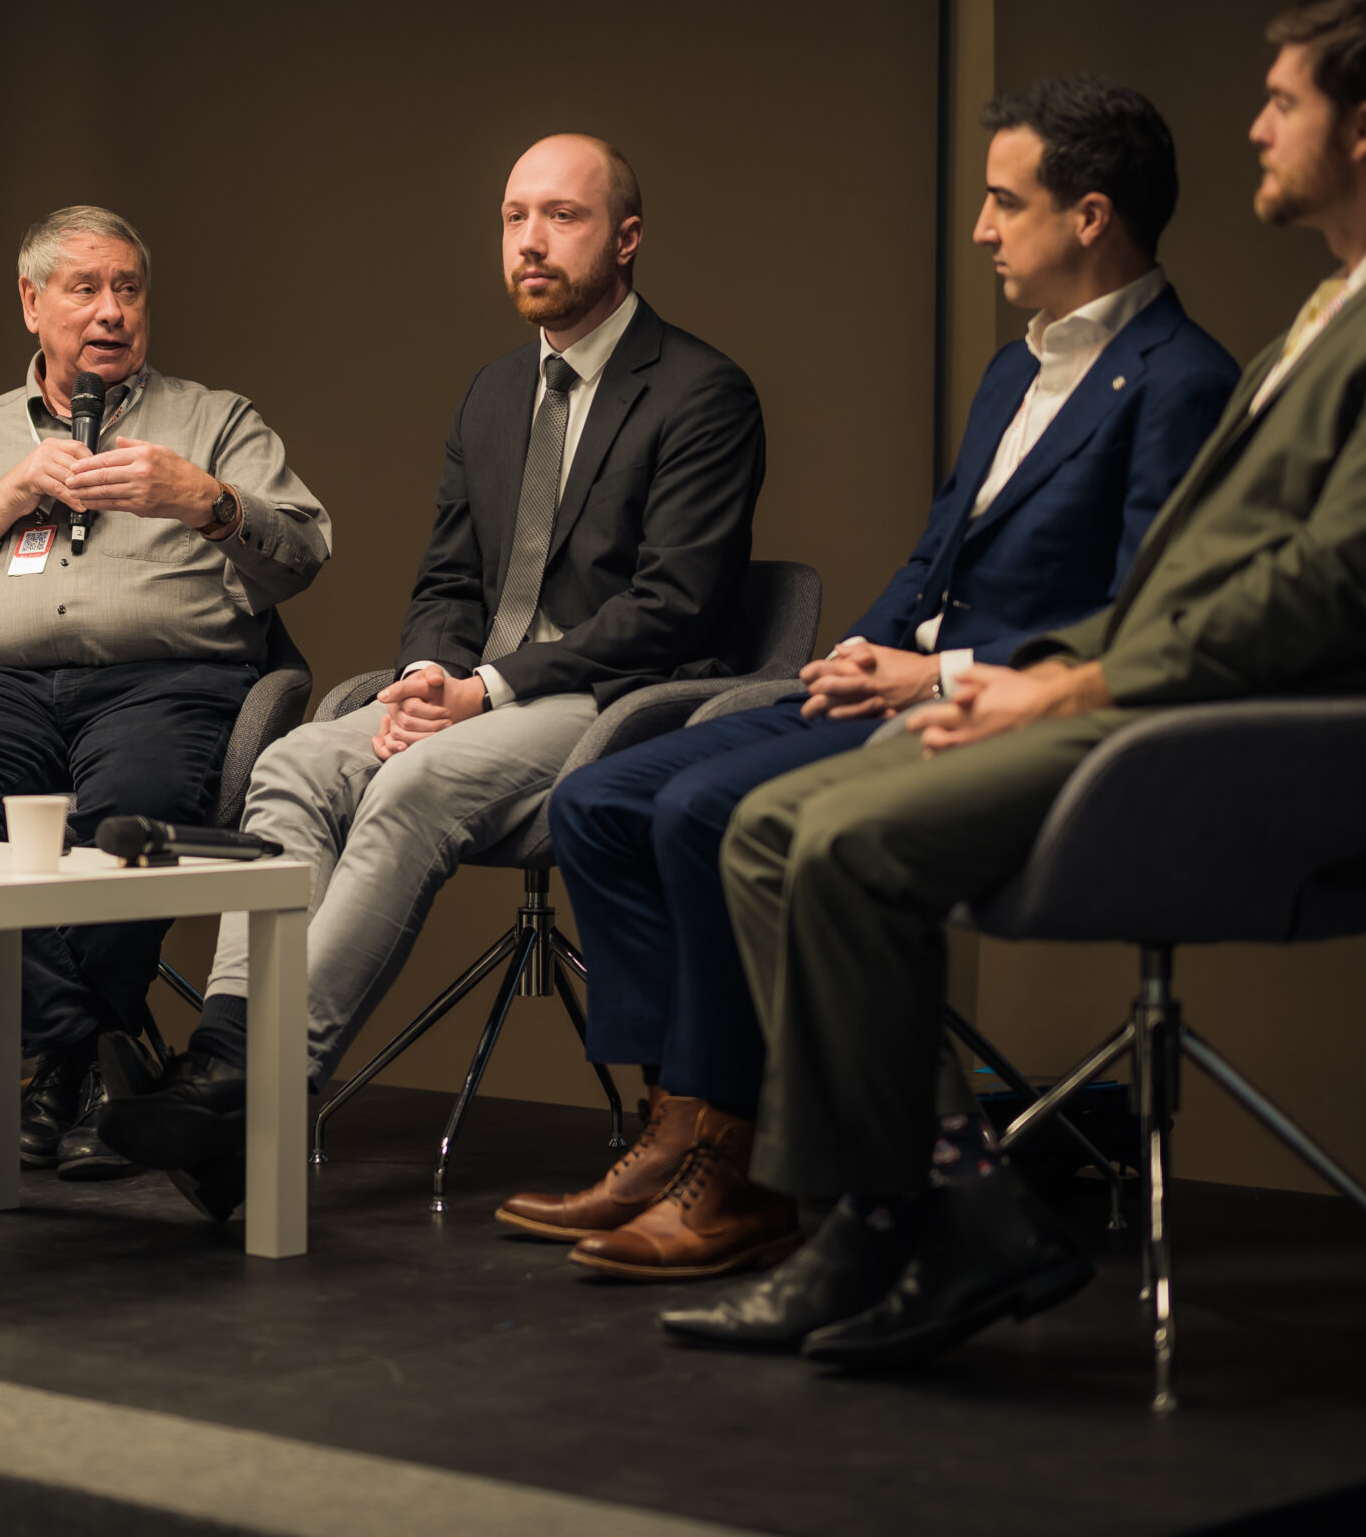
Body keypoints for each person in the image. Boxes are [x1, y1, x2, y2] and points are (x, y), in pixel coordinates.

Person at [663, 0, 1366, 1363]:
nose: (1254, 126)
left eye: (1283, 101)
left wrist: (1068, 687)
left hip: (1266, 736)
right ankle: (929, 1217)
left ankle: (908, 1223)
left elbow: (1336, 593)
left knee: (834, 839)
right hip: (1181, 698)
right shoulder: (1340, 308)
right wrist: (1032, 668)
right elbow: (1176, 589)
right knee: (771, 824)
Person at [509, 78, 1239, 1282]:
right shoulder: (1014, 369)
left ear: (1091, 216)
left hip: (1000, 712)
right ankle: (677, 1122)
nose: (982, 228)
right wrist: (856, 649)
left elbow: (1140, 613)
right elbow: (932, 555)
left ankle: (736, 1171)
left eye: (1006, 201)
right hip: (901, 682)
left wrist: (936, 669)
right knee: (597, 799)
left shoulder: (1180, 377)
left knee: (699, 808)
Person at [98, 134, 768, 1218]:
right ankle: (224, 1058)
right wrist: (423, 674)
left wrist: (486, 691)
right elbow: (450, 577)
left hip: (607, 704)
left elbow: (671, 609)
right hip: (472, 695)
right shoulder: (493, 394)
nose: (531, 240)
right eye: (514, 217)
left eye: (563, 216)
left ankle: (248, 1094)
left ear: (627, 238)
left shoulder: (701, 391)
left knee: (410, 785)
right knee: (295, 764)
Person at [0, 205, 329, 1181]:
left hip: (165, 683)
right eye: (85, 289)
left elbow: (303, 552)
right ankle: (97, 1047)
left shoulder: (215, 420)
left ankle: (55, 1067)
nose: (112, 310)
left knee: (128, 820)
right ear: (32, 303)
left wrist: (205, 500)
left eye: (129, 288)